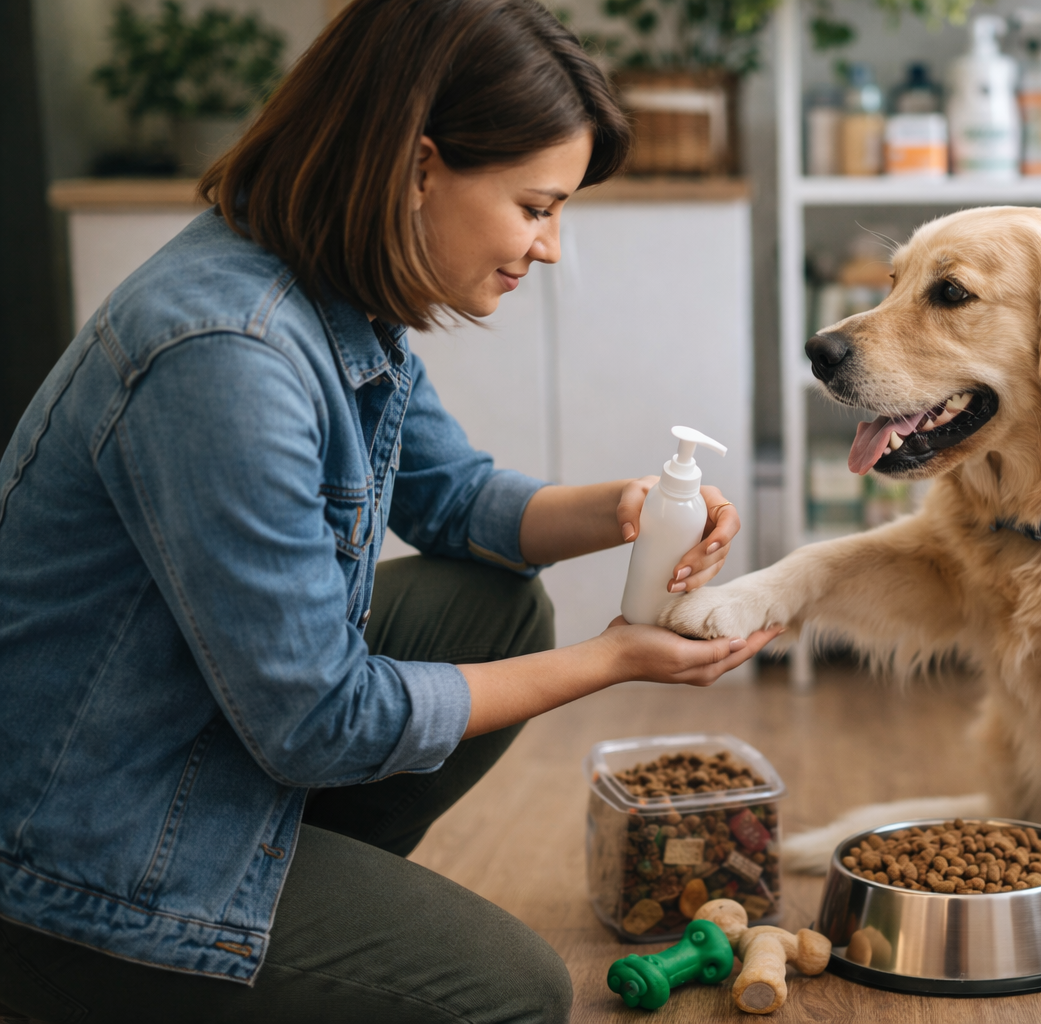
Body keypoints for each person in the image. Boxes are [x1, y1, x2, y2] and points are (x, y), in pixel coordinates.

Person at [0, 2, 779, 1020]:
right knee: (511, 992)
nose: (548, 247)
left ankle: (295, 929)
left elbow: (452, 497)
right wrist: (614, 658)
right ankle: (150, 966)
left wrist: (626, 507)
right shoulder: (226, 354)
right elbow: (320, 723)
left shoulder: (318, 282)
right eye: (537, 205)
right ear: (419, 167)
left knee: (491, 609)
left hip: (194, 735)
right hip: (77, 851)